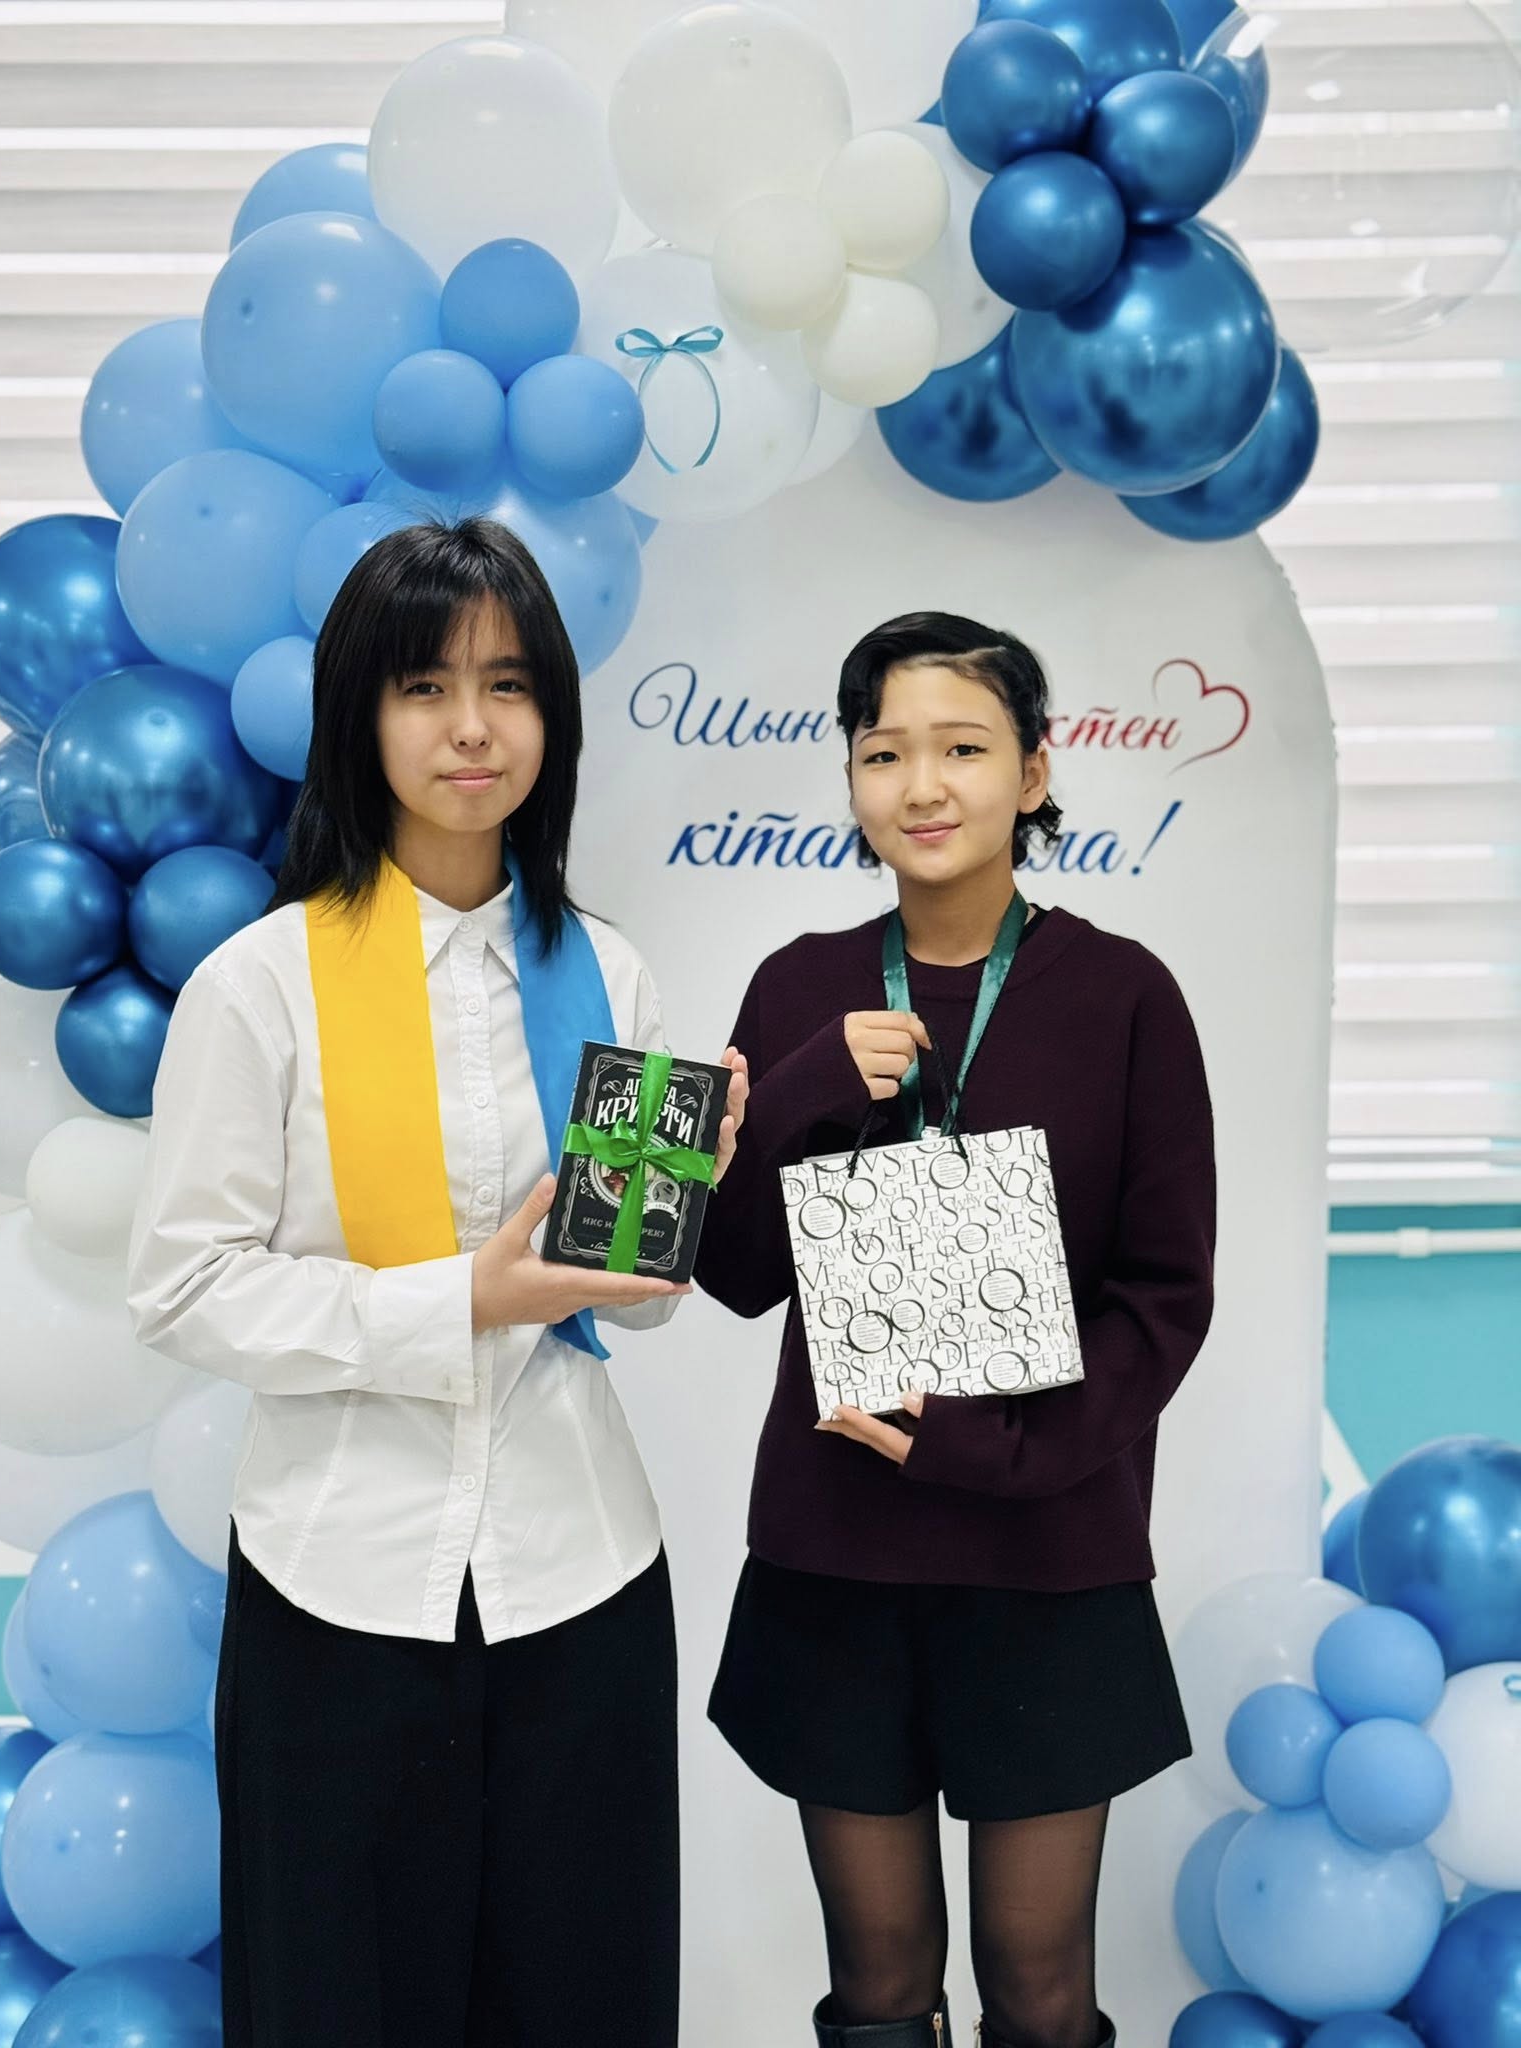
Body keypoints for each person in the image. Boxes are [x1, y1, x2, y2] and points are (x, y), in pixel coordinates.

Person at [127, 518, 746, 2048]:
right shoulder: (264, 983)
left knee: (583, 2008)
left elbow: (622, 1298)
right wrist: (459, 1298)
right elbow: (184, 1287)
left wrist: (679, 1205)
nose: (472, 728)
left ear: (553, 719)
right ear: (361, 714)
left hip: (581, 1578)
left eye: (508, 685)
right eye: (425, 686)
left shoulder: (606, 971)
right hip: (338, 1586)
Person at [694, 612, 1215, 2048]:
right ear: (853, 778)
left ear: (1035, 773)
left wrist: (996, 1448)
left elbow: (1167, 1298)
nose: (922, 785)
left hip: (1047, 1553)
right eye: (885, 753)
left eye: (964, 749)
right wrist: (803, 1087)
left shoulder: (1125, 994)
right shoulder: (797, 986)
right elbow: (730, 1273)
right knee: (877, 1987)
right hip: (836, 1553)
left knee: (1041, 1992)